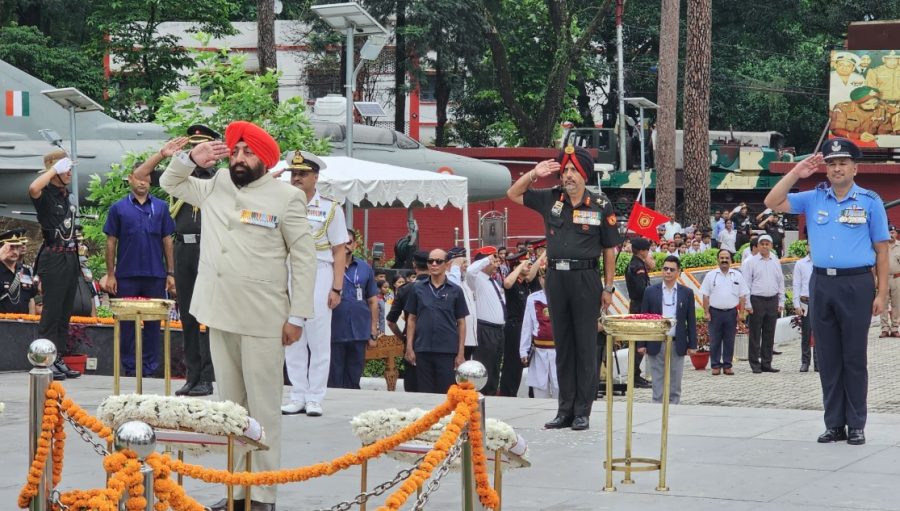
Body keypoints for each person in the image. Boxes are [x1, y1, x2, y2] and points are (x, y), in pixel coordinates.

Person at [160, 120, 316, 511]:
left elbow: (304, 258)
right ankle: (236, 491)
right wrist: (189, 160)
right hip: (219, 310)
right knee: (231, 410)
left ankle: (262, 493)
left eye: (249, 153)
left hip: (264, 317)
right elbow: (170, 185)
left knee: (264, 409)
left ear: (264, 159)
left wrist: (297, 316)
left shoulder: (287, 197)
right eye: (237, 152)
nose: (241, 159)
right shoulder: (217, 186)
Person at [764, 138, 890, 445]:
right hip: (822, 283)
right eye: (832, 164)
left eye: (843, 163)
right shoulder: (814, 198)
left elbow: (882, 250)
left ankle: (856, 424)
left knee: (854, 357)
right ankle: (834, 423)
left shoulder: (870, 201)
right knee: (829, 356)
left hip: (857, 284)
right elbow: (772, 201)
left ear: (855, 168)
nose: (837, 168)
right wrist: (796, 173)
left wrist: (882, 293)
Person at [507, 145, 621, 431]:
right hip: (556, 279)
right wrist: (534, 173)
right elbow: (513, 194)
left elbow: (609, 248)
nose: (568, 175)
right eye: (565, 170)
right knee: (564, 346)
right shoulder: (552, 198)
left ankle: (583, 411)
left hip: (585, 279)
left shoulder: (599, 203)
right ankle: (564, 410)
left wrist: (608, 287)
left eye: (574, 171)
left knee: (585, 348)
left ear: (584, 174)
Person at [132, 129, 217, 396]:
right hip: (184, 248)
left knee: (212, 316)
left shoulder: (219, 179)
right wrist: (162, 154)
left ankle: (209, 376)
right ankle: (193, 376)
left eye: (205, 147)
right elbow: (140, 176)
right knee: (189, 315)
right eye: (195, 148)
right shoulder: (178, 177)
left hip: (210, 248)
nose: (201, 154)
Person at [281, 150, 348, 417]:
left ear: (315, 177)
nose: (296, 178)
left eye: (302, 174)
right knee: (291, 335)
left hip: (320, 272)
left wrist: (336, 287)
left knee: (318, 336)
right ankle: (297, 393)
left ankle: (315, 397)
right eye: (294, 174)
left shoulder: (330, 208)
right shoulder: (283, 204)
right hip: (288, 271)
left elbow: (339, 250)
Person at [103, 165, 176, 377]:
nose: (143, 182)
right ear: (130, 179)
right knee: (126, 323)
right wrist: (110, 274)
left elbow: (167, 240)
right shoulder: (118, 208)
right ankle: (129, 367)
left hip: (155, 275)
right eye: (139, 178)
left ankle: (150, 368)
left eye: (147, 178)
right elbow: (111, 241)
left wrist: (170, 273)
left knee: (153, 323)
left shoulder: (161, 207)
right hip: (127, 274)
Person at [27, 150, 82, 380]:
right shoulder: (46, 194)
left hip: (70, 256)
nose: (69, 173)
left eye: (69, 169)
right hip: (54, 256)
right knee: (51, 311)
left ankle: (57, 357)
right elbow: (33, 188)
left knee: (64, 312)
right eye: (65, 169)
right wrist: (53, 170)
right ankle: (44, 360)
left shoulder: (64, 195)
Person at [403, 249, 468, 394]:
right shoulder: (417, 288)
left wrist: (461, 352)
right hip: (423, 349)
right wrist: (409, 347)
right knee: (424, 392)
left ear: (447, 264)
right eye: (430, 261)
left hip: (447, 351)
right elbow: (411, 319)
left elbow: (461, 322)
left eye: (438, 261)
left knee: (445, 392)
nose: (433, 264)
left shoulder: (456, 290)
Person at [638, 256, 698, 404]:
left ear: (678, 272)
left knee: (675, 379)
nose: (668, 272)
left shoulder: (687, 292)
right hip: (656, 340)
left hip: (677, 342)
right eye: (665, 269)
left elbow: (691, 319)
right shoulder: (651, 291)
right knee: (657, 379)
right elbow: (644, 318)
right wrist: (641, 343)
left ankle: (673, 408)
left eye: (672, 269)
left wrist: (693, 345)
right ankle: (657, 409)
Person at [329, 229, 379, 389]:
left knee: (354, 377)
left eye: (349, 242)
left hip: (358, 331)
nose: (345, 246)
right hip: (333, 331)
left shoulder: (365, 268)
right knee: (333, 377)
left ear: (355, 245)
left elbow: (372, 301)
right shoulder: (327, 267)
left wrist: (373, 331)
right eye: (342, 242)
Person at [700, 249, 750, 375]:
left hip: (731, 312)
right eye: (721, 258)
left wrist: (742, 312)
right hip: (715, 312)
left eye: (726, 258)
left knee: (729, 340)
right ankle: (715, 365)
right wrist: (706, 312)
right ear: (718, 260)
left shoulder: (737, 275)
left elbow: (742, 295)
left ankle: (727, 365)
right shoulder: (711, 275)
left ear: (730, 260)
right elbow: (705, 296)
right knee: (715, 340)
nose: (724, 260)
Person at [466, 246, 507, 396]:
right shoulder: (475, 279)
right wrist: (486, 259)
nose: (496, 264)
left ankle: (491, 394)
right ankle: (482, 396)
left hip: (498, 330)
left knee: (495, 366)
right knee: (485, 366)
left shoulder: (494, 282)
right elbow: (470, 271)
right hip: (485, 329)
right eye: (493, 261)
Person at [741, 234, 784, 374]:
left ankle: (767, 363)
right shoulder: (750, 262)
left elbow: (780, 282)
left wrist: (781, 301)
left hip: (772, 300)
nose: (765, 246)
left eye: (767, 244)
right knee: (755, 333)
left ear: (771, 246)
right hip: (756, 300)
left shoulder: (775, 261)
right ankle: (755, 363)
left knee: (769, 333)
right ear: (757, 246)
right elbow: (746, 283)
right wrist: (747, 304)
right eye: (762, 243)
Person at [499, 249, 540, 396]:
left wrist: (544, 254)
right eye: (526, 264)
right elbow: (507, 283)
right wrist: (520, 264)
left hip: (526, 327)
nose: (529, 266)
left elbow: (533, 272)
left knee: (527, 362)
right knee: (513, 364)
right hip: (515, 327)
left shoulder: (525, 284)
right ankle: (507, 394)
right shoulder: (513, 283)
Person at [387, 251, 429, 392]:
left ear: (414, 265)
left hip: (413, 341)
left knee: (413, 385)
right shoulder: (441, 288)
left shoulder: (405, 290)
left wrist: (403, 337)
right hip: (437, 342)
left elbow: (391, 321)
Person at [519, 268, 558, 398]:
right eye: (543, 278)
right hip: (539, 351)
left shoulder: (563, 297)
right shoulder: (532, 299)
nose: (545, 281)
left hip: (559, 351)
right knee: (540, 391)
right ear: (540, 279)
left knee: (561, 389)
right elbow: (527, 326)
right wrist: (523, 350)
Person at [624, 237, 654, 388]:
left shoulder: (637, 264)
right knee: (639, 343)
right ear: (642, 251)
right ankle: (634, 375)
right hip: (639, 307)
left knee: (639, 342)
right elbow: (642, 290)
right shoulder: (638, 267)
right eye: (647, 250)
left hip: (638, 306)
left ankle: (635, 374)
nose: (648, 253)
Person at [830, 86, 897, 146]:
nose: (873, 107)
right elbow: (836, 129)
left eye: (875, 103)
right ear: (857, 103)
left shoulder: (881, 109)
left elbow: (885, 128)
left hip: (871, 143)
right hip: (847, 142)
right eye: (868, 104)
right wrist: (858, 136)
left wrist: (879, 136)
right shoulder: (843, 108)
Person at [446, 247, 478, 359]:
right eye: (463, 262)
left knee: (465, 374)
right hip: (456, 340)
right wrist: (455, 267)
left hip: (470, 338)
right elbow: (453, 291)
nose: (466, 265)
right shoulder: (448, 279)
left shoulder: (465, 282)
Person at [0, 229, 37, 314]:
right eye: (11, 247)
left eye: (17, 247)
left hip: (22, 322)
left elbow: (30, 299)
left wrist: (31, 321)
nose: (14, 251)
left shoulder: (26, 270)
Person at [793, 248, 817, 371]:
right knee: (806, 333)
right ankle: (805, 362)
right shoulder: (800, 263)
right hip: (805, 301)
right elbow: (796, 284)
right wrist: (796, 304)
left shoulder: (822, 262)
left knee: (820, 333)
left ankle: (818, 362)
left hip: (819, 301)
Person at [881, 225, 900, 337]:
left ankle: (895, 328)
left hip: (897, 278)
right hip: (883, 278)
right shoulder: (882, 246)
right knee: (883, 304)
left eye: (893, 232)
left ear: (896, 234)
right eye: (889, 232)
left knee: (896, 304)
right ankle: (884, 329)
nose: (891, 234)